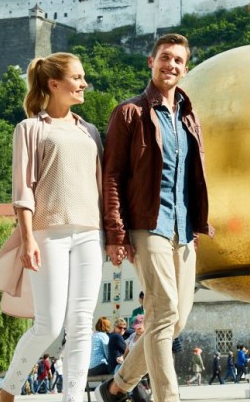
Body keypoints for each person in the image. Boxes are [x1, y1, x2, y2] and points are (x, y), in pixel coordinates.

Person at [0, 53, 105, 402]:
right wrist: (28, 238)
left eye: (83, 77)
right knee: (49, 324)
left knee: (81, 323)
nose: (83, 84)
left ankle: (73, 398)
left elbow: (99, 186)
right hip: (47, 232)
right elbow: (22, 190)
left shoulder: (90, 131)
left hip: (90, 233)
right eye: (77, 78)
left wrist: (110, 235)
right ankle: (9, 388)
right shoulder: (30, 129)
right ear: (54, 84)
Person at [96, 33, 212, 402]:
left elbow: (194, 175)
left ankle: (116, 388)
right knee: (162, 313)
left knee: (175, 321)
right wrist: (116, 232)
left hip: (184, 227)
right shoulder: (129, 112)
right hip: (148, 224)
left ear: (185, 68)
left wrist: (198, 222)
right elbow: (112, 175)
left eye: (178, 60)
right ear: (151, 62)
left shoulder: (190, 118)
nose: (170, 65)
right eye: (165, 57)